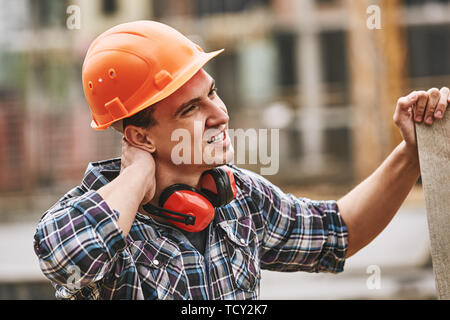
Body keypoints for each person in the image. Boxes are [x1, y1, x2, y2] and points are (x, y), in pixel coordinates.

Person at [33, 20, 449, 300]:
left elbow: (338, 232)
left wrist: (412, 154)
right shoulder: (96, 219)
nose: (220, 115)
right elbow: (67, 256)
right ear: (140, 136)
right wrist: (138, 174)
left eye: (212, 93)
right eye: (190, 109)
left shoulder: (237, 197)